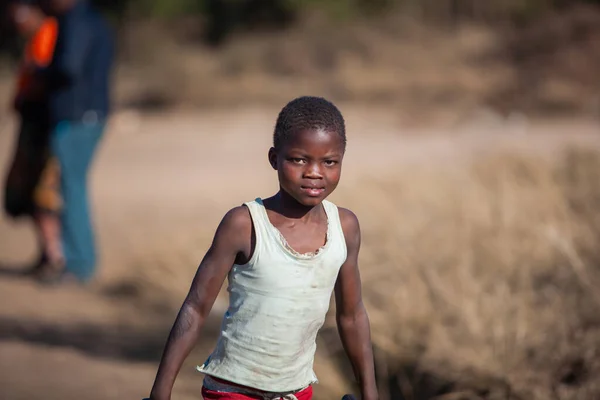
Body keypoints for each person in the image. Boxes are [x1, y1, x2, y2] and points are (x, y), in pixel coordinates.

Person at [146, 96, 379, 400]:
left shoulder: (344, 227)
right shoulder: (244, 224)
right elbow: (196, 307)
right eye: (299, 159)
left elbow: (352, 316)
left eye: (329, 162)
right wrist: (159, 393)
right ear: (274, 158)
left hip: (296, 391)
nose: (314, 172)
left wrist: (370, 392)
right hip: (233, 390)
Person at [38, 0, 114, 283]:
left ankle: (79, 265)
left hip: (76, 116)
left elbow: (69, 66)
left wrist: (41, 72)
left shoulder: (76, 21)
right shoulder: (94, 18)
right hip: (89, 114)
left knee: (71, 189)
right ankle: (79, 261)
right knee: (72, 187)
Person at [3, 0, 63, 276]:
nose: (17, 21)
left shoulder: (50, 32)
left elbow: (44, 79)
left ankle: (55, 255)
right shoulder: (36, 38)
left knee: (44, 192)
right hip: (33, 123)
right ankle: (46, 253)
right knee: (27, 192)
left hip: (44, 125)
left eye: (20, 13)